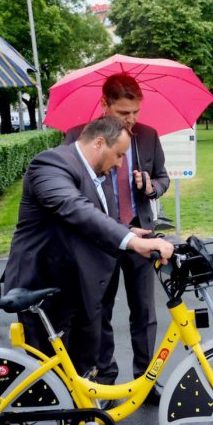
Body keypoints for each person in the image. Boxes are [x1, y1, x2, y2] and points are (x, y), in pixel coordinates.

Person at [4, 116, 174, 385]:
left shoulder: (94, 172)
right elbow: (74, 208)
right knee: (51, 379)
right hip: (44, 285)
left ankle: (84, 423)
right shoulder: (50, 164)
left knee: (82, 370)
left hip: (76, 284)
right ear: (98, 143)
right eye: (118, 155)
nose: (120, 163)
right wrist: (132, 241)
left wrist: (126, 230)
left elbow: (94, 213)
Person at [64, 73, 170, 402]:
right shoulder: (79, 136)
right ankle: (105, 380)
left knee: (145, 312)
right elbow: (70, 186)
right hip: (100, 238)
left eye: (136, 111)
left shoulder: (148, 136)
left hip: (140, 231)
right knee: (99, 312)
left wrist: (151, 186)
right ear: (105, 104)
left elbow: (163, 177)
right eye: (124, 113)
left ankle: (145, 378)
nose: (132, 119)